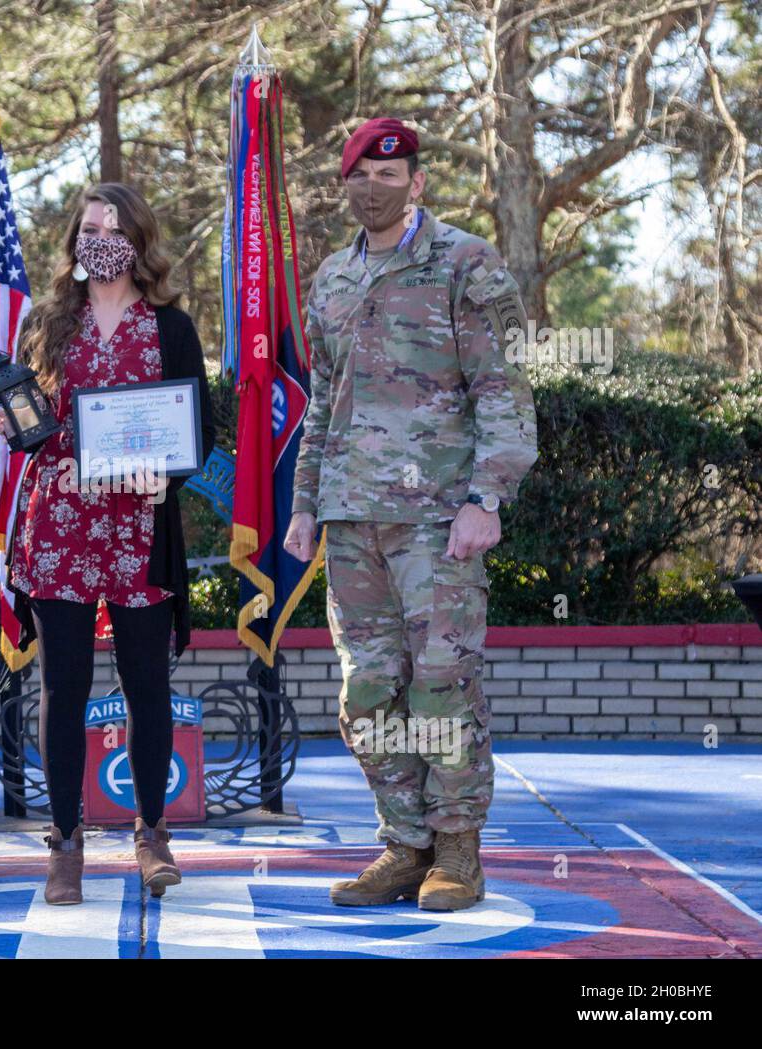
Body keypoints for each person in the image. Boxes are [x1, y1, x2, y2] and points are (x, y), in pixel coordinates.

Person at [283, 119, 538, 911]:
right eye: (359, 174)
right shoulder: (329, 280)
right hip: (352, 518)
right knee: (369, 691)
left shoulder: (464, 262)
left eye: (389, 174)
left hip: (438, 519)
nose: (373, 187)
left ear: (416, 182)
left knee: (440, 684)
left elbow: (504, 385)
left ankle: (458, 850)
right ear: (346, 185)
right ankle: (404, 843)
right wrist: (304, 505)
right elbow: (323, 401)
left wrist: (485, 497)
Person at [0, 182, 215, 905]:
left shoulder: (172, 327)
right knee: (65, 687)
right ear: (75, 241)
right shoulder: (49, 321)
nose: (101, 239)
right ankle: (65, 846)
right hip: (61, 523)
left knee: (146, 686)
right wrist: (14, 428)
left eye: (115, 228)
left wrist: (169, 479)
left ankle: (152, 833)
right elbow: (33, 421)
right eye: (89, 227)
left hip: (140, 527)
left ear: (139, 240)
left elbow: (198, 429)